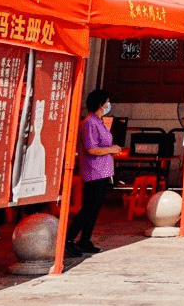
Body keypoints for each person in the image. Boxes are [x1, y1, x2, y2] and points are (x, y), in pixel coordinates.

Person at [66, 89, 119, 259]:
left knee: (94, 208)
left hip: (103, 171)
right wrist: (110, 149)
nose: (108, 105)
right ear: (100, 104)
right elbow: (91, 148)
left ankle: (85, 240)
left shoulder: (99, 121)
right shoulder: (89, 122)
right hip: (94, 171)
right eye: (107, 102)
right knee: (88, 208)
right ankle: (68, 239)